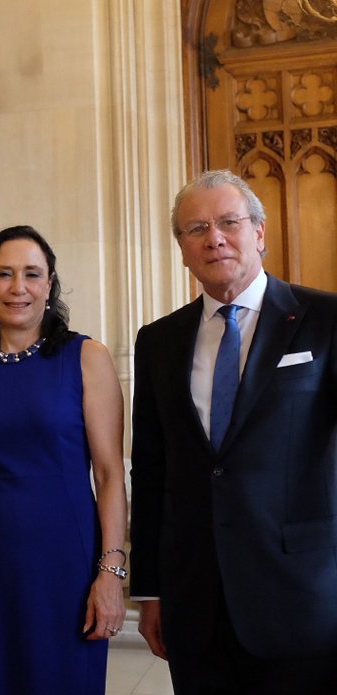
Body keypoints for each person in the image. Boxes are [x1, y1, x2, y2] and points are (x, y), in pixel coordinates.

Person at [130, 169, 337, 692]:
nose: (214, 238)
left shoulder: (326, 319)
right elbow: (152, 470)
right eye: (196, 228)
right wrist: (150, 590)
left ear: (259, 233)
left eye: (229, 222)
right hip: (196, 599)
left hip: (304, 594)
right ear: (182, 249)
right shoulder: (158, 341)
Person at [0, 225, 127, 693]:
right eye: (4, 274)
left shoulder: (86, 357)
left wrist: (111, 572)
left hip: (66, 566)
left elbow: (110, 475)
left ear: (49, 284)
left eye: (32, 274)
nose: (18, 287)